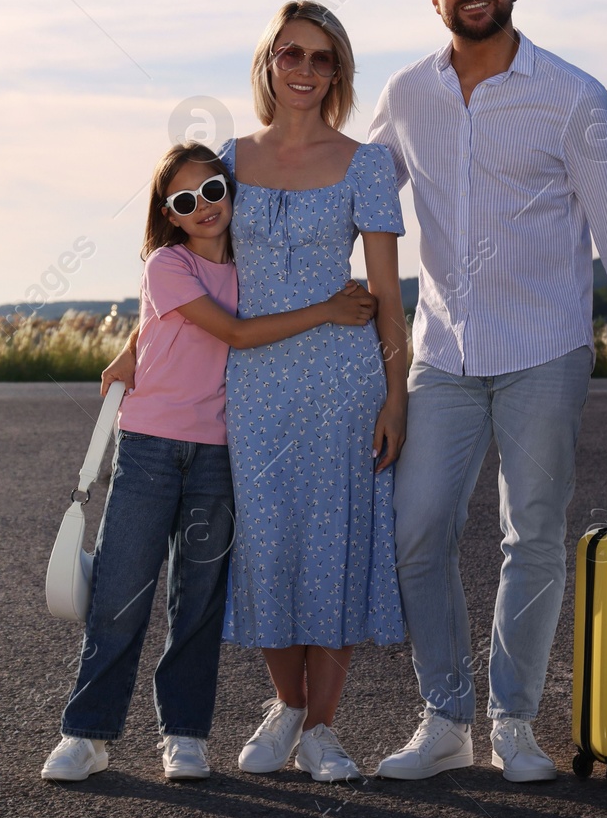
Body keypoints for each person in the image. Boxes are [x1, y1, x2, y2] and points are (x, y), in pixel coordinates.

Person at [370, 0, 607, 783]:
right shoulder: (406, 94)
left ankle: (512, 719)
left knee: (532, 532)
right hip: (442, 351)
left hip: (546, 346)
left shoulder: (574, 96)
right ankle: (443, 718)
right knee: (418, 526)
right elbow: (356, 194)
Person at [42, 141, 376, 783]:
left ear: (231, 191)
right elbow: (237, 333)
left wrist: (134, 342)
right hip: (150, 449)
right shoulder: (166, 262)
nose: (204, 208)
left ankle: (185, 738)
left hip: (222, 452)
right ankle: (86, 735)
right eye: (186, 201)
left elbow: (204, 319)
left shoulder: (250, 264)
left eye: (213, 191)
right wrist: (330, 310)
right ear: (169, 214)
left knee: (197, 602)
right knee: (119, 596)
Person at [220, 0, 410, 783]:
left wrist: (396, 394)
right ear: (268, 64)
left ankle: (325, 727)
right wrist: (137, 349)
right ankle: (286, 706)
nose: (304, 69)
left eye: (321, 58)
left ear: (339, 73)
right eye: (290, 54)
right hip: (256, 380)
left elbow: (390, 296)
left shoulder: (367, 162)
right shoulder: (228, 159)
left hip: (343, 380)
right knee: (267, 541)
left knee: (337, 543)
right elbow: (184, 269)